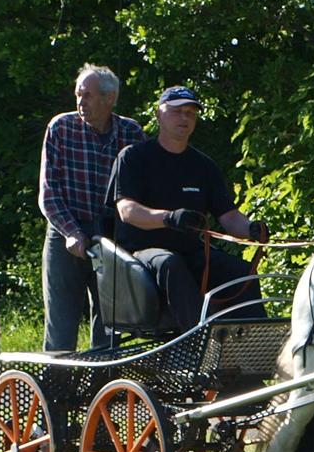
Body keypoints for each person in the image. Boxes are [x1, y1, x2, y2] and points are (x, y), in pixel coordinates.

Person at [108, 85, 269, 330]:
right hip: (141, 256)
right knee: (170, 263)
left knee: (241, 271)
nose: (184, 117)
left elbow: (228, 216)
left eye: (190, 112)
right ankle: (198, 343)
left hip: (192, 253)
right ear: (159, 114)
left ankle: (256, 345)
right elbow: (127, 211)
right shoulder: (133, 158)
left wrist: (251, 229)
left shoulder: (204, 166)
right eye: (177, 111)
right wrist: (169, 218)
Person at [38, 64, 146, 351]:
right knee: (61, 326)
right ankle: (57, 391)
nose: (80, 102)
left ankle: (102, 391)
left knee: (111, 328)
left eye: (87, 95)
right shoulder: (61, 127)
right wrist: (72, 232)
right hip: (66, 233)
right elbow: (48, 193)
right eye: (78, 95)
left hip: (112, 240)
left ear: (109, 99)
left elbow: (142, 190)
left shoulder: (131, 132)